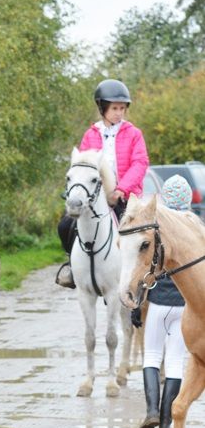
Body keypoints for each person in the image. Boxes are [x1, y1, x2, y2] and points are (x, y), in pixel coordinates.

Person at [56, 79, 150, 288]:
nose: (119, 112)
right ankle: (72, 267)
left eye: (122, 108)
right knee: (65, 225)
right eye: (114, 108)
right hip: (95, 198)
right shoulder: (91, 134)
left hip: (125, 197)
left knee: (140, 233)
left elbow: (140, 162)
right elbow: (81, 164)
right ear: (102, 108)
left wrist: (120, 190)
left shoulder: (134, 134)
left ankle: (141, 276)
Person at [137, 175, 191, 428]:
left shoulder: (156, 229)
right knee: (176, 362)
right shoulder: (193, 228)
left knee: (151, 356)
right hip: (183, 307)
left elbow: (144, 268)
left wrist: (137, 306)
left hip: (157, 303)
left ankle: (151, 411)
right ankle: (167, 423)